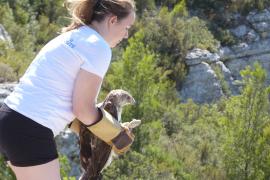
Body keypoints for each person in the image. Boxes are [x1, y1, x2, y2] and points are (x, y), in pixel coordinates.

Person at [0, 0, 136, 179]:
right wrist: (116, 134)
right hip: (31, 129)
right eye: (127, 27)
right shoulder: (98, 47)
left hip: (10, 118)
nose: (126, 35)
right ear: (112, 20)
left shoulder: (72, 36)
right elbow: (82, 109)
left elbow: (63, 100)